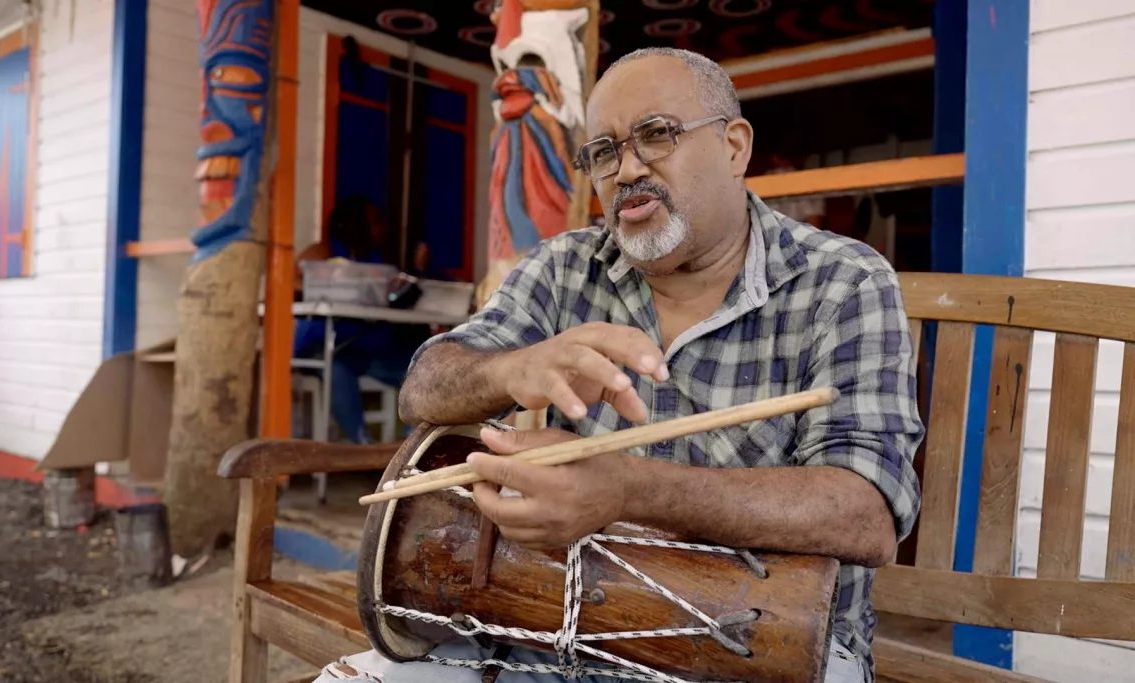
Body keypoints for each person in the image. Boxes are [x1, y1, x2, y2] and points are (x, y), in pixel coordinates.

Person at [316, 47, 923, 683]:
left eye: (656, 134)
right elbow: (422, 389)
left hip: (769, 645)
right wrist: (510, 370)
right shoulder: (565, 267)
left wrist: (627, 489)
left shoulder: (842, 281)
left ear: (735, 146)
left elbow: (867, 514)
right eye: (604, 151)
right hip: (546, 628)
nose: (628, 166)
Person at [293, 194, 431, 444]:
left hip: (368, 351)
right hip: (327, 349)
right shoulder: (323, 251)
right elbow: (293, 279)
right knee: (336, 369)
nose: (381, 228)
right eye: (375, 221)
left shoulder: (377, 262)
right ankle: (363, 448)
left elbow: (393, 299)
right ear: (355, 224)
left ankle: (405, 450)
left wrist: (417, 272)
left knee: (425, 371)